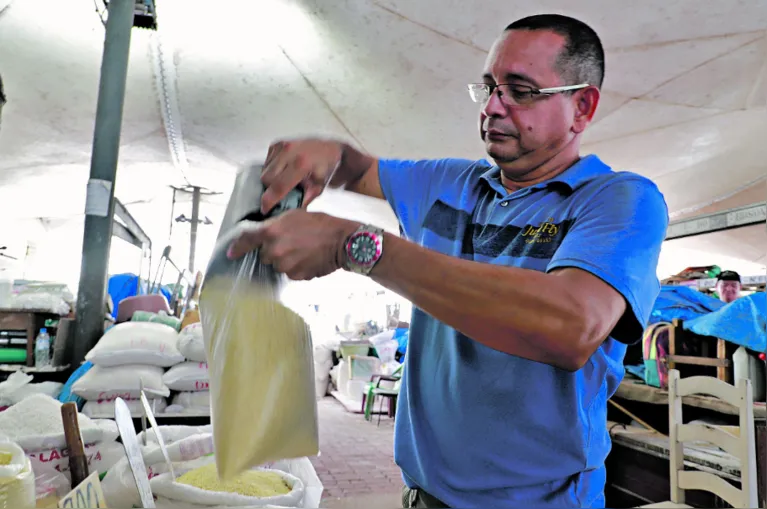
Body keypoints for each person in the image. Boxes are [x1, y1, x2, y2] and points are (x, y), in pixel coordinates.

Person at [228, 14, 669, 508]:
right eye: (489, 88)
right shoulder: (448, 185)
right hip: (424, 497)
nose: (494, 108)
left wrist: (353, 246)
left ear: (581, 106)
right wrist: (327, 154)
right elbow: (359, 168)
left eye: (520, 90)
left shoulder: (618, 201)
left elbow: (569, 326)